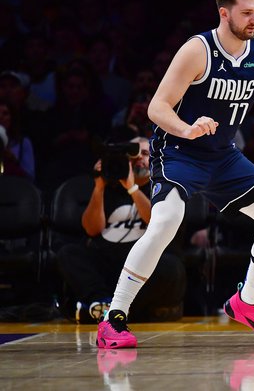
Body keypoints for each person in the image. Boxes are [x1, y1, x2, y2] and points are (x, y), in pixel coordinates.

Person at [96, 0, 254, 349]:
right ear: (224, 12)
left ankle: (247, 301)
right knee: (167, 221)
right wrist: (187, 129)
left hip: (223, 157)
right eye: (247, 13)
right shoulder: (197, 50)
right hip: (180, 152)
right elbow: (157, 108)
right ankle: (113, 319)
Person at [56, 137, 185, 323]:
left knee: (171, 266)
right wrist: (99, 187)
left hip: (143, 265)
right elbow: (92, 230)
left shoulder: (163, 186)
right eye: (134, 156)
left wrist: (132, 188)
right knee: (68, 253)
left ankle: (106, 312)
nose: (140, 159)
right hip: (109, 261)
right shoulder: (109, 186)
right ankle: (101, 302)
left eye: (146, 154)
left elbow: (156, 221)